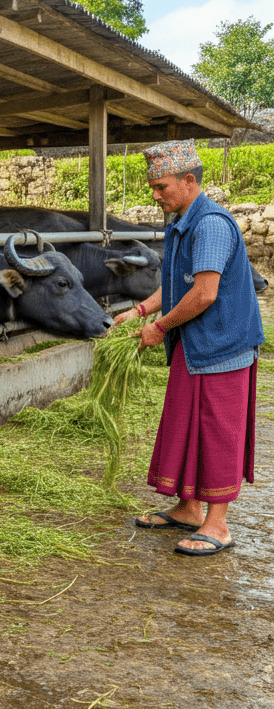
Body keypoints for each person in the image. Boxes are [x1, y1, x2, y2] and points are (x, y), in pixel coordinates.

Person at [111, 140, 264, 557]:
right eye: (152, 187)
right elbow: (179, 283)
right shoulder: (181, 220)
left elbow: (204, 294)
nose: (154, 195)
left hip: (222, 346)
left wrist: (158, 327)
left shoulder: (210, 224)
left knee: (217, 432)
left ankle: (218, 524)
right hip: (195, 346)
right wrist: (140, 310)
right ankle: (188, 508)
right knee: (186, 425)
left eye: (160, 187)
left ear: (188, 180)